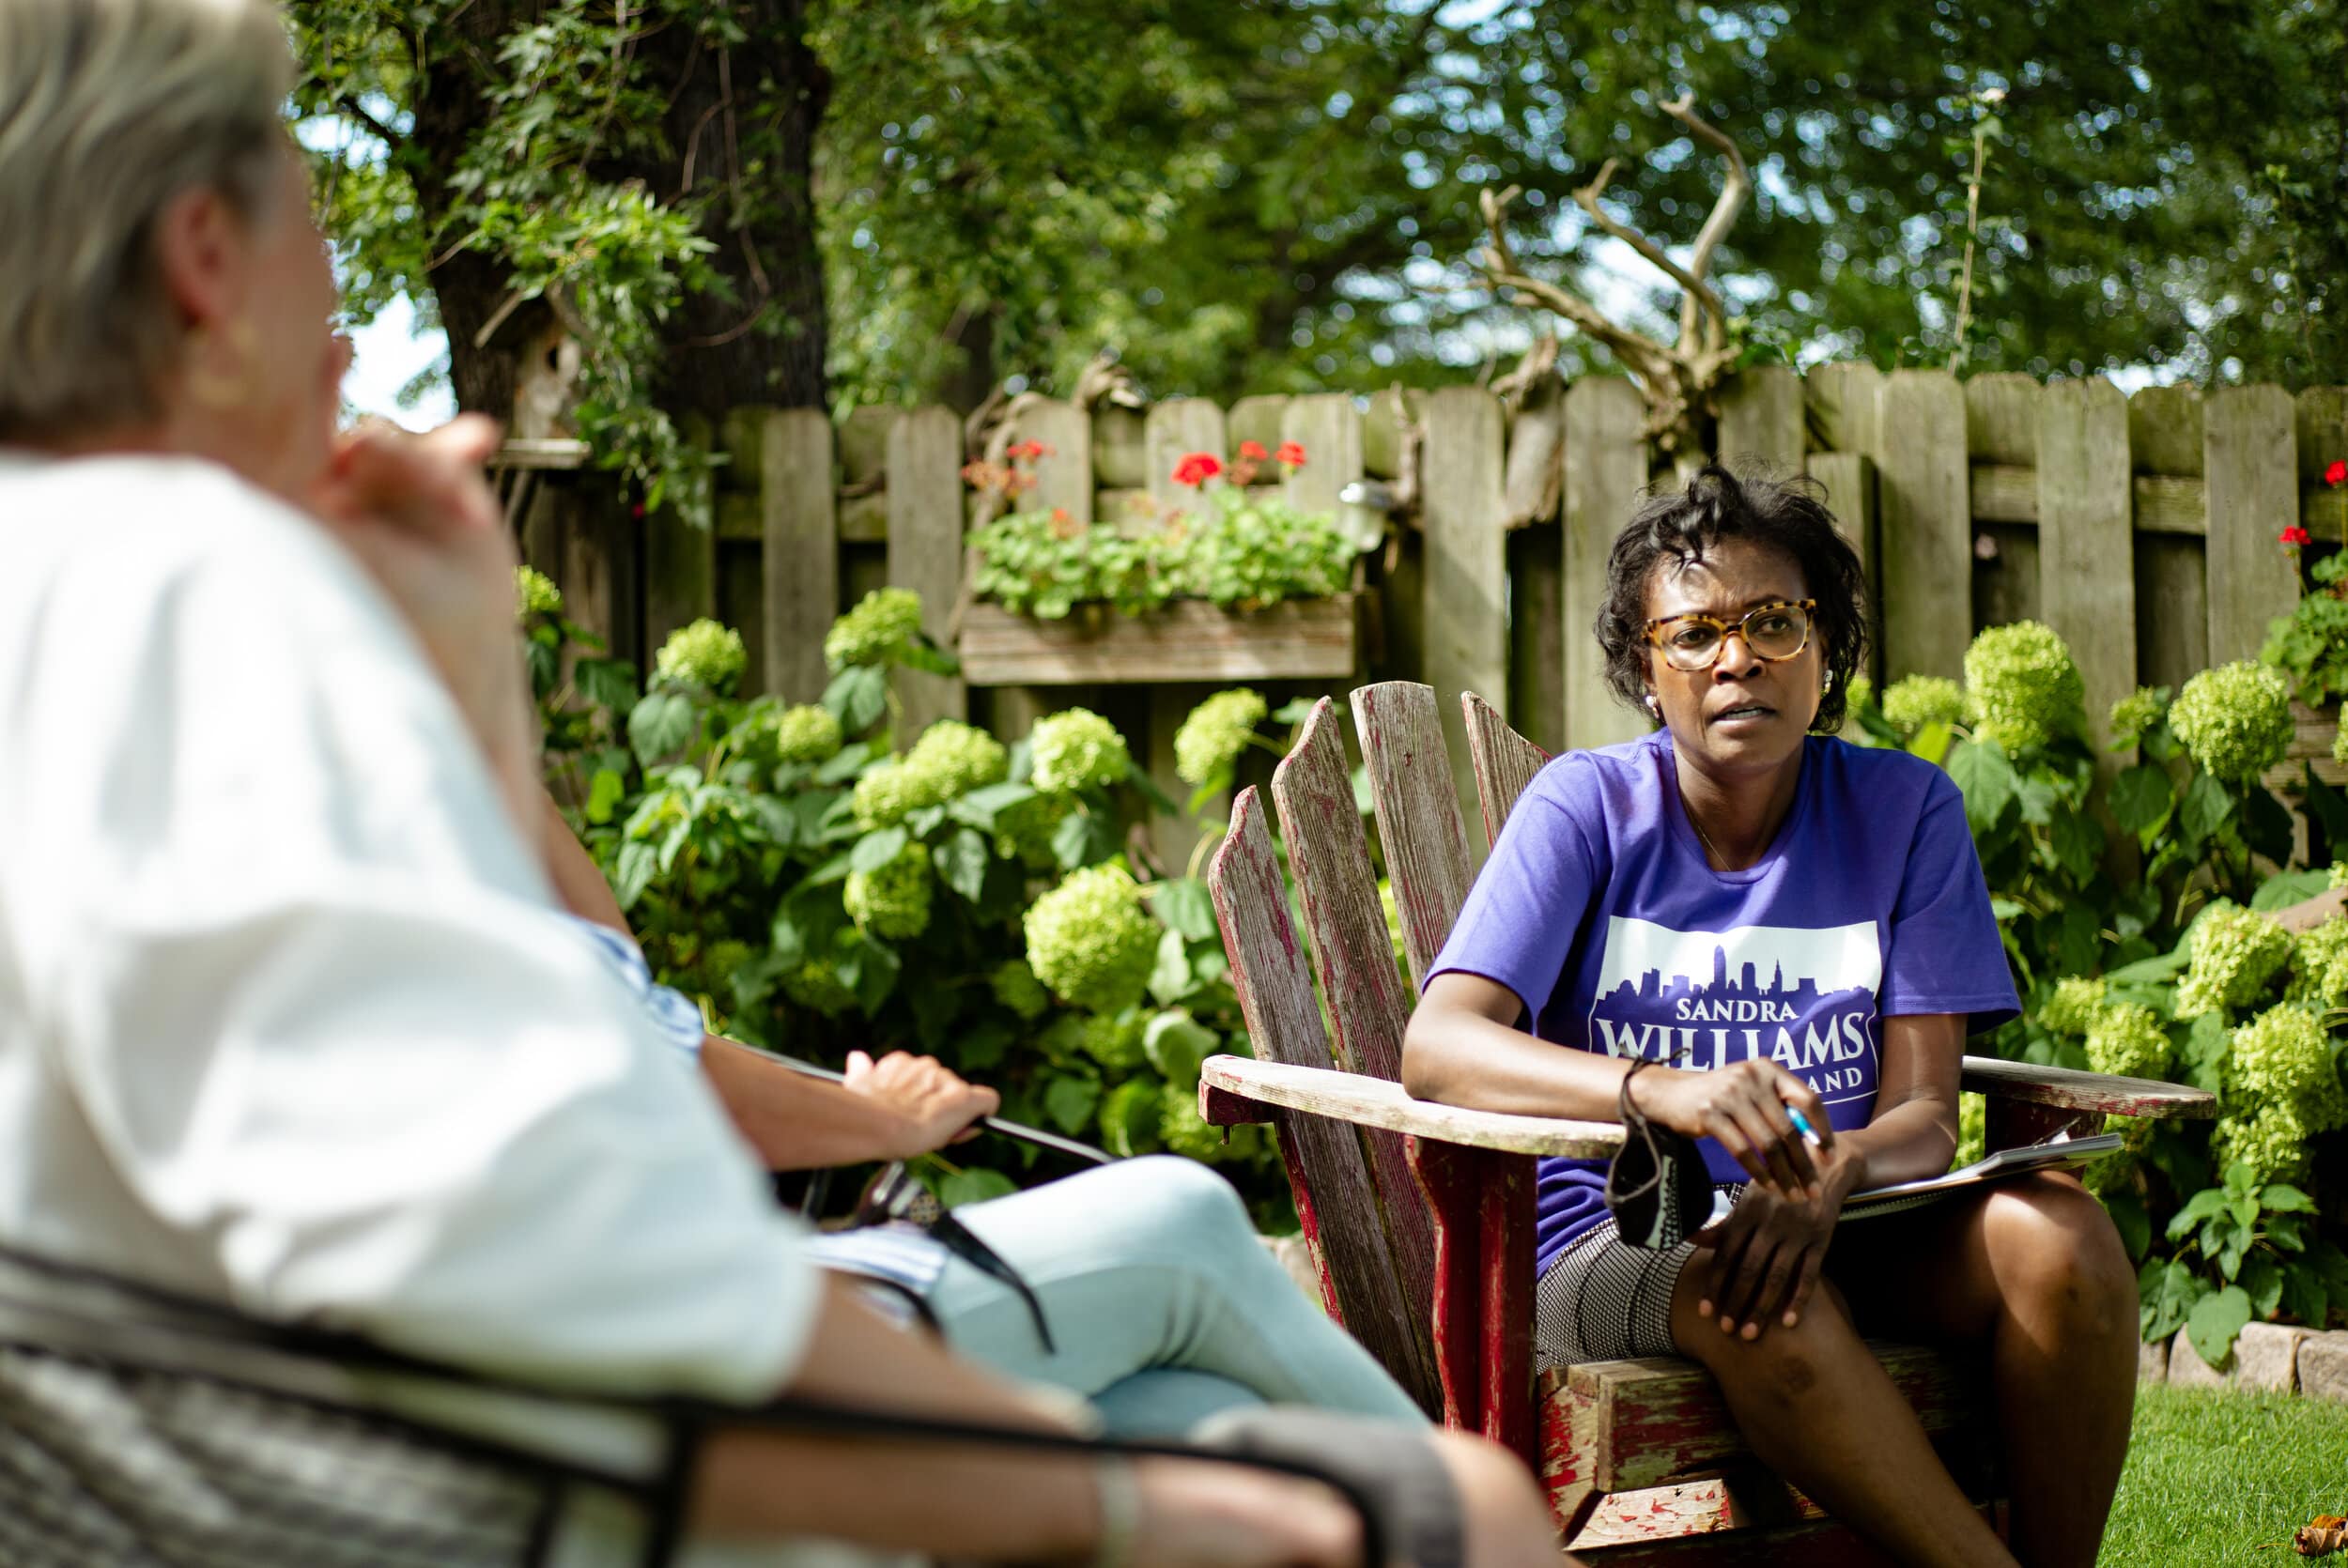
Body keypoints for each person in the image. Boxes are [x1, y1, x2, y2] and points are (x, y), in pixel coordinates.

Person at [0, 0, 1568, 1563]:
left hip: (309, 1481)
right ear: (206, 252)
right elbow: (607, 1297)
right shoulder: (189, 599)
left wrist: (476, 704)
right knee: (1460, 1507)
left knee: (1192, 1417)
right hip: (527, 1501)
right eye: (306, 204)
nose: (341, 291)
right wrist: (1123, 1504)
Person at [1400, 466, 2139, 1568]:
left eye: (1773, 622)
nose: (1734, 657)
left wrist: (1827, 1168)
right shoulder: (1587, 807)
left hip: (1841, 1221)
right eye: (1691, 632)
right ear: (1648, 672)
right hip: (1613, 1243)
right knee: (1756, 1293)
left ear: (1825, 647)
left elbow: (1926, 1115)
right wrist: (1661, 1089)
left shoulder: (1904, 810)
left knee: (2062, 1235)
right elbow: (1438, 1043)